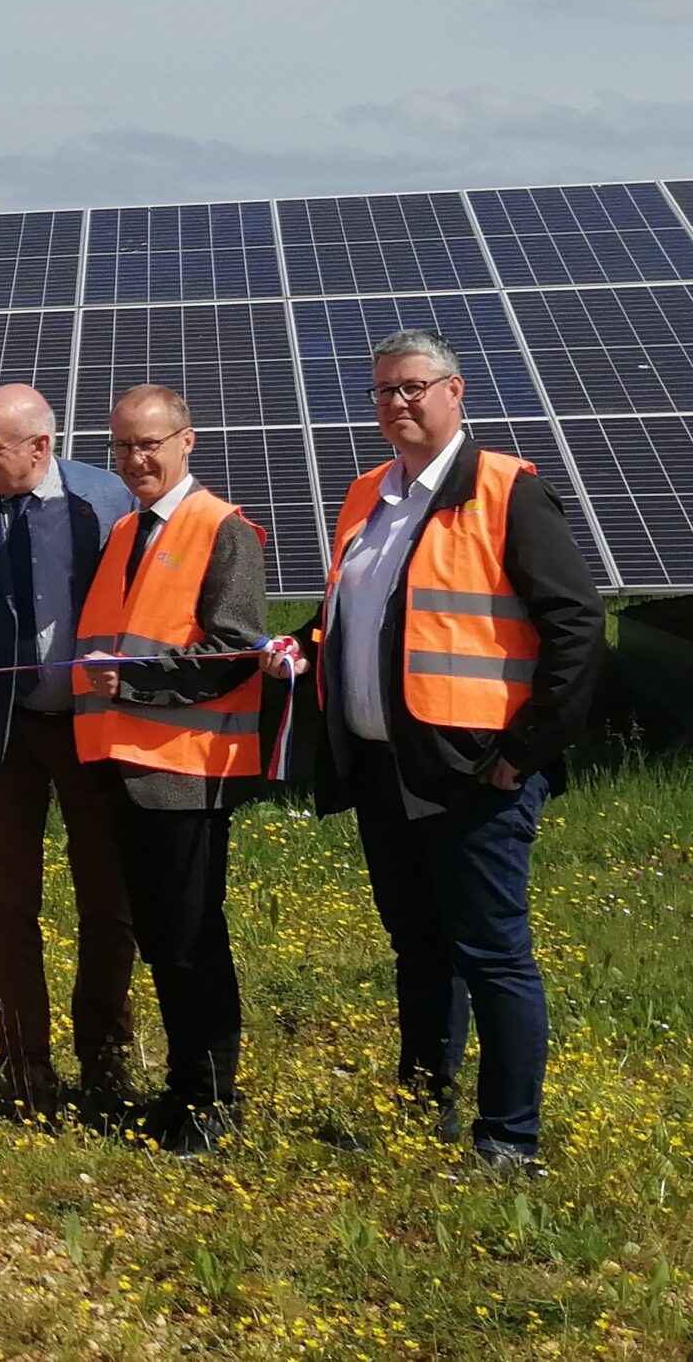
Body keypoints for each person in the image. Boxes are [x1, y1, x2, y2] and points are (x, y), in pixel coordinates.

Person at [298, 329, 601, 1175]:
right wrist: (303, 645)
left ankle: (509, 1139)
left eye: (414, 387)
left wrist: (526, 751)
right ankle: (421, 1108)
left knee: (493, 954)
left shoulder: (505, 489)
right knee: (418, 947)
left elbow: (576, 625)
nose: (399, 403)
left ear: (455, 392)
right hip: (386, 766)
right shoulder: (367, 495)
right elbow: (360, 618)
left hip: (475, 771)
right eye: (385, 391)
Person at [0, 383, 140, 1118]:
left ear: (41, 447)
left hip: (91, 727)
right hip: (5, 731)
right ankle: (25, 1070)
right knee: (9, 905)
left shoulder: (105, 500)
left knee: (108, 902)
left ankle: (106, 1063)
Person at [75, 386, 274, 1158]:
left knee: (193, 937)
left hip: (188, 771)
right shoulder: (126, 530)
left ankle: (214, 1099)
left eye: (150, 444)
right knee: (160, 936)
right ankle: (184, 1089)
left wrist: (128, 679)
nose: (136, 460)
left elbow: (233, 650)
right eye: (123, 447)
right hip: (125, 769)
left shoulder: (222, 528)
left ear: (188, 441)